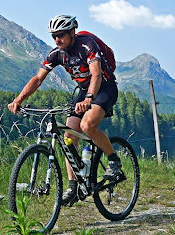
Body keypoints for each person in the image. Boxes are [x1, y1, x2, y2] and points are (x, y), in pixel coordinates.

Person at [7, 15, 122, 206]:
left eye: (60, 35)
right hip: (85, 92)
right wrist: (19, 99)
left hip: (104, 89)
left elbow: (96, 75)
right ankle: (73, 187)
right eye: (54, 36)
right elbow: (38, 79)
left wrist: (88, 99)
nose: (57, 39)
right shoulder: (57, 54)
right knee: (69, 136)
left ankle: (113, 160)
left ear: (72, 33)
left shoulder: (87, 45)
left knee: (87, 125)